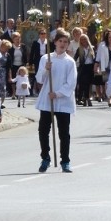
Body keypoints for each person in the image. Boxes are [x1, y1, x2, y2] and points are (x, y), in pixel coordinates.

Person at [35, 28, 77, 173]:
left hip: (62, 101)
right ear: (55, 42)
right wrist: (46, 69)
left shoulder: (69, 62)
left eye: (65, 42)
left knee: (64, 132)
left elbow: (71, 83)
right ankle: (45, 157)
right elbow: (40, 79)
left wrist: (58, 94)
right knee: (43, 130)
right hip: (47, 100)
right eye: (60, 41)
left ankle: (65, 160)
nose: (63, 44)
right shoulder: (46, 59)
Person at [94, 30, 111, 104]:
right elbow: (99, 57)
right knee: (107, 82)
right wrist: (98, 66)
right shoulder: (103, 46)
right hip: (106, 67)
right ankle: (109, 98)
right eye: (109, 37)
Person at [75, 33, 96, 106]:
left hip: (90, 67)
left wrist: (96, 66)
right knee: (83, 83)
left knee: (89, 83)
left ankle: (86, 98)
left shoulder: (92, 48)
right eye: (82, 39)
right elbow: (75, 58)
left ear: (87, 40)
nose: (83, 41)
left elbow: (95, 58)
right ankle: (84, 98)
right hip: (83, 68)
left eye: (85, 39)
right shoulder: (79, 49)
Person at [6, 31, 28, 98]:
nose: (18, 40)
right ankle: (13, 93)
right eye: (16, 39)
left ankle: (21, 93)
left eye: (19, 39)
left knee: (21, 79)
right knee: (13, 79)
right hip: (13, 65)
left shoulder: (23, 46)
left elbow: (25, 55)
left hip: (21, 65)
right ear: (13, 40)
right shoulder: (10, 47)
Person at [29, 28, 49, 93]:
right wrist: (30, 63)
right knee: (38, 74)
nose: (43, 35)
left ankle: (45, 89)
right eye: (41, 34)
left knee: (46, 73)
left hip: (46, 59)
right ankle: (37, 89)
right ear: (39, 35)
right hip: (38, 60)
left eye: (44, 34)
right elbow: (32, 53)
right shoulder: (35, 42)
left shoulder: (48, 42)